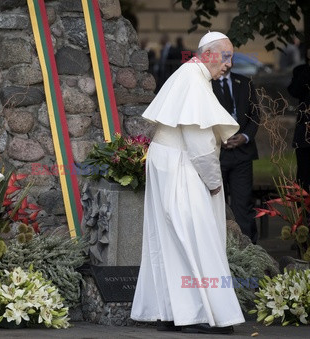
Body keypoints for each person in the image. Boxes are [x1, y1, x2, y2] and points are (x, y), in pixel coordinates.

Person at [131, 31, 245, 334]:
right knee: (198, 237)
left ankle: (170, 312)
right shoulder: (194, 80)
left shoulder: (188, 75)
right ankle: (207, 315)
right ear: (208, 53)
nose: (229, 64)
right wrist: (213, 183)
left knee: (170, 241)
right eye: (226, 56)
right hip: (182, 166)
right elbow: (201, 144)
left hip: (168, 162)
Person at [211, 69, 260, 244]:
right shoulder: (207, 83)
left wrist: (245, 136)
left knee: (243, 204)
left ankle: (249, 248)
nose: (227, 60)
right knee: (217, 204)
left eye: (230, 55)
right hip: (217, 154)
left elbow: (255, 115)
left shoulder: (244, 82)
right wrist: (219, 137)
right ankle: (219, 246)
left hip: (243, 154)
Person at [288, 48, 310, 193]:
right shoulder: (302, 71)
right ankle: (304, 212)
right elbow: (294, 91)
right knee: (304, 177)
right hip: (305, 134)